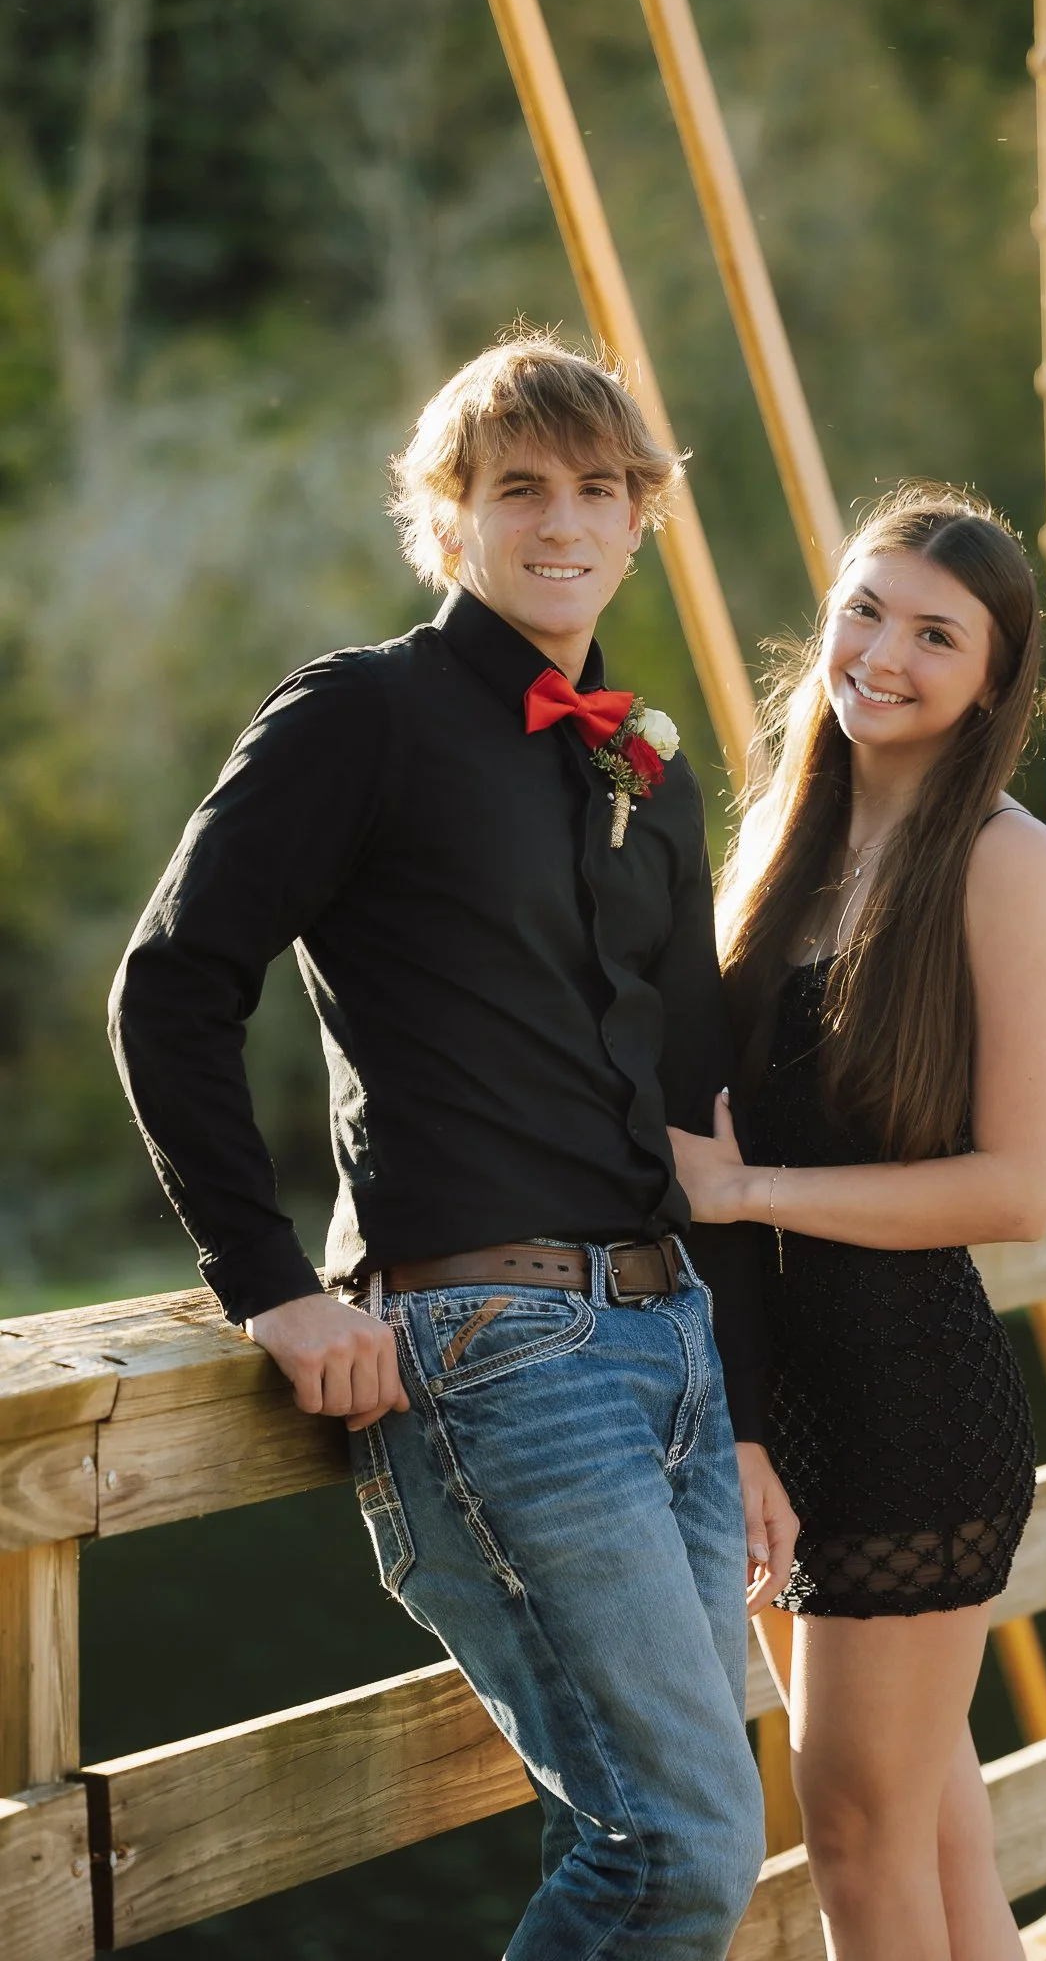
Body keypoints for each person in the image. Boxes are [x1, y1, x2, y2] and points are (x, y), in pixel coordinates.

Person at [108, 332, 798, 1959]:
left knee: (674, 1832)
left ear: (640, 519)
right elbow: (173, 986)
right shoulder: (362, 715)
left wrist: (753, 1415)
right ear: (447, 519)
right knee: (682, 1847)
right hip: (498, 1347)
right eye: (518, 488)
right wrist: (271, 1285)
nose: (563, 521)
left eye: (600, 489)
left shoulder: (646, 767)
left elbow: (697, 1107)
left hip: (672, 1340)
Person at [667, 484, 1046, 1961]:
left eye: (935, 634)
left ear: (992, 679)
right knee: (937, 1847)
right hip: (774, 1402)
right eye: (864, 610)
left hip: (908, 1404)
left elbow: (1019, 1187)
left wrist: (751, 1192)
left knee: (855, 1835)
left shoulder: (1001, 858)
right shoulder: (785, 843)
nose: (883, 654)